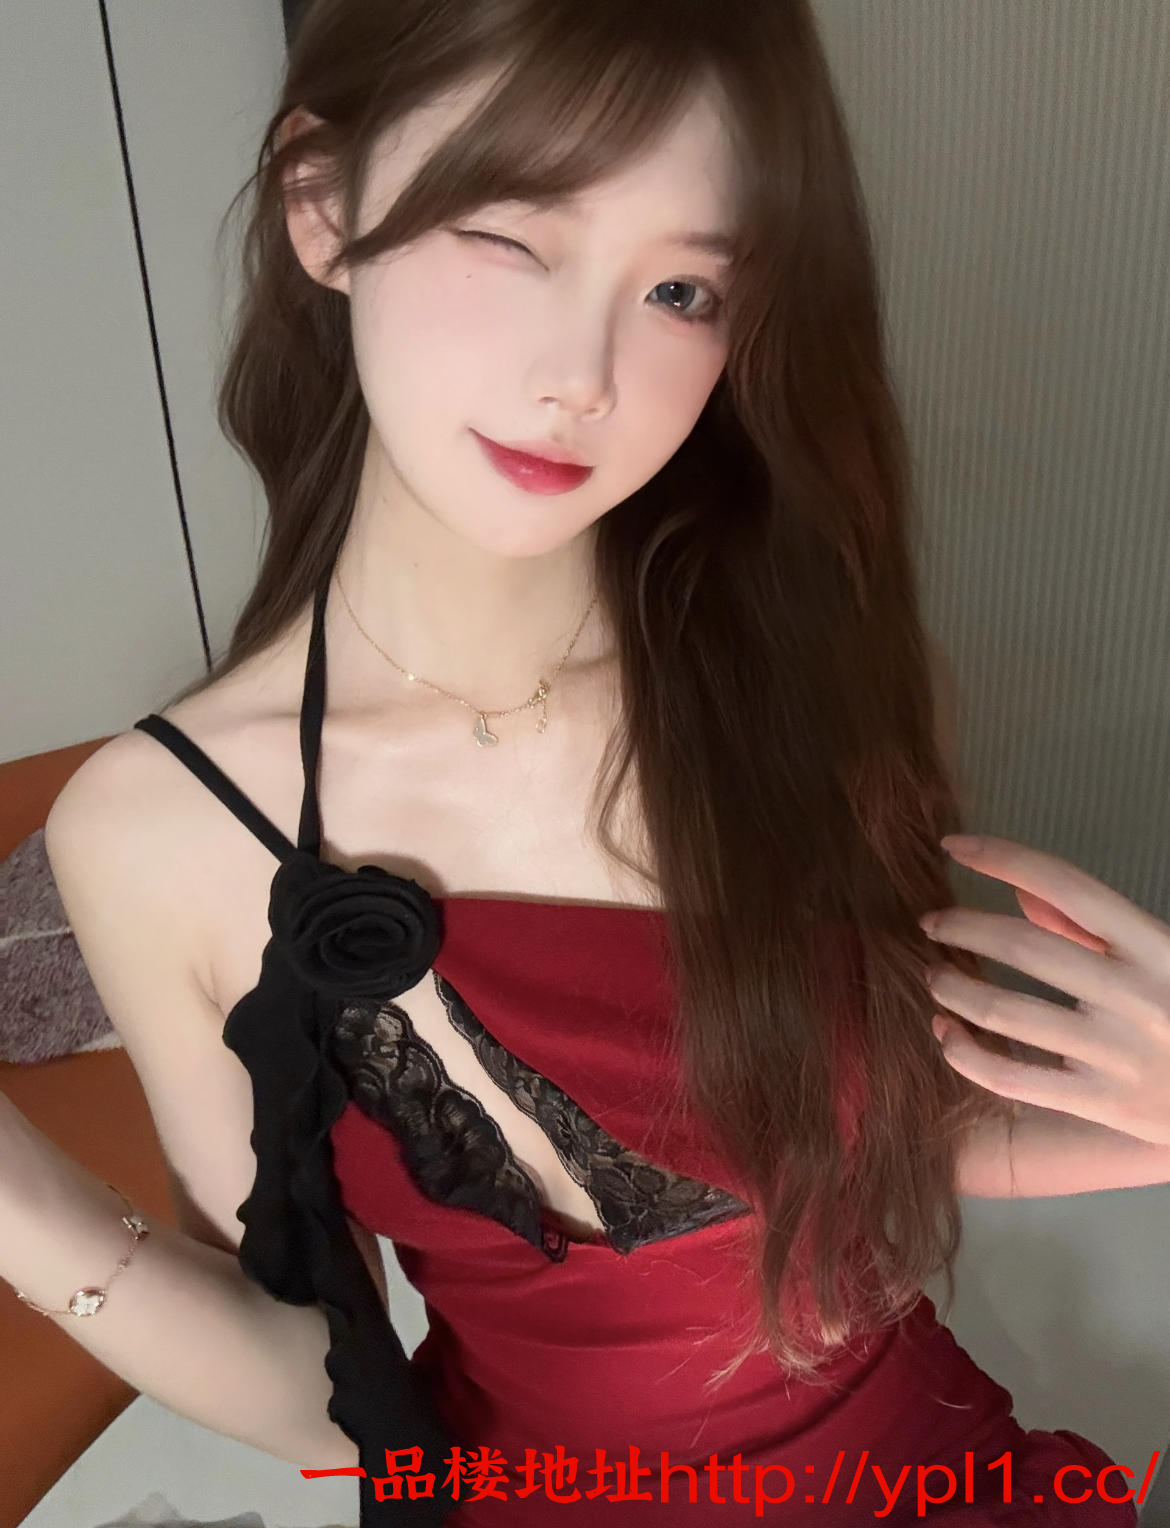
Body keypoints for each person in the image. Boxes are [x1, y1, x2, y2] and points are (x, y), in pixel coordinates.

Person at [4, 1, 1160, 1523]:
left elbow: (861, 1149)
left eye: (681, 288)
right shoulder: (162, 831)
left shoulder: (821, 684)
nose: (584, 376)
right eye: (509, 235)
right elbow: (321, 1385)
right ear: (323, 206)